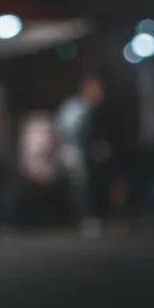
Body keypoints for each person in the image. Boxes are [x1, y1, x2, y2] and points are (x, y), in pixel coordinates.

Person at [54, 75, 105, 235]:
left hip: (86, 155)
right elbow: (64, 131)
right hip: (73, 154)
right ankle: (82, 219)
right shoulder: (74, 108)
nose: (99, 93)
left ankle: (88, 217)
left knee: (87, 186)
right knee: (80, 187)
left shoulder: (91, 108)